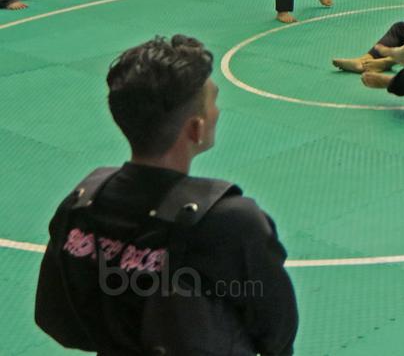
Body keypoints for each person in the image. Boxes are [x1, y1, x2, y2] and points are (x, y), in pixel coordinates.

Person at [34, 35, 298, 354]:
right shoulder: (232, 223)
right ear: (196, 129)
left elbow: (55, 317)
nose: (217, 111)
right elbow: (276, 331)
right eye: (213, 102)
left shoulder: (80, 204)